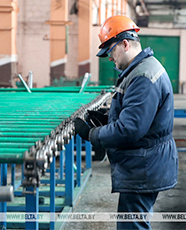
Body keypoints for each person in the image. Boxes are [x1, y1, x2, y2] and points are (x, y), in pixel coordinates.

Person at [74, 15, 178, 230]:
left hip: (145, 166)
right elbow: (135, 116)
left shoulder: (142, 76)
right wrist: (107, 117)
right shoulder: (140, 69)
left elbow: (130, 129)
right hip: (145, 163)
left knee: (131, 225)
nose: (110, 58)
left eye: (111, 51)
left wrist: (91, 134)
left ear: (125, 43)